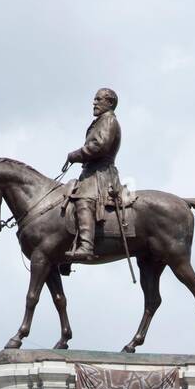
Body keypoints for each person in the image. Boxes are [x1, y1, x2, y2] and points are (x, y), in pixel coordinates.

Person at [63, 88, 122, 261]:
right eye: (94, 99)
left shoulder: (109, 120)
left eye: (98, 99)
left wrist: (75, 155)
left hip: (101, 174)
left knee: (84, 201)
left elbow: (99, 146)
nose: (94, 103)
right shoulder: (99, 122)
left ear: (109, 102)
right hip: (90, 173)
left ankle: (86, 246)